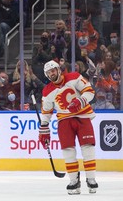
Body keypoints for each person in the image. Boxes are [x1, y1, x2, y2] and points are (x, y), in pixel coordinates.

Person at [38, 60, 98, 195]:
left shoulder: (74, 77)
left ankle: (91, 179)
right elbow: (46, 112)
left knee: (88, 148)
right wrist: (44, 129)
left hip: (82, 117)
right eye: (48, 72)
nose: (51, 74)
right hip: (64, 121)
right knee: (68, 151)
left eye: (53, 70)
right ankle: (73, 181)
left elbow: (89, 92)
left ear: (59, 69)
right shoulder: (47, 91)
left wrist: (80, 101)